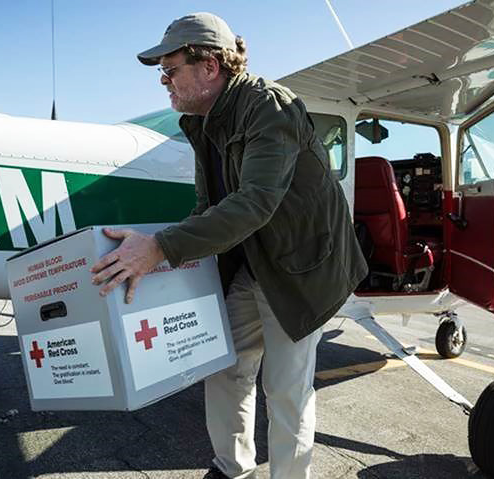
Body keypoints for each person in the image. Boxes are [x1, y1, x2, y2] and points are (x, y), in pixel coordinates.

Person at [91, 12, 367, 479]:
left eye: (171, 69)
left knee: (285, 388)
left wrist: (159, 248)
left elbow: (254, 202)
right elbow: (207, 205)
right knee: (223, 366)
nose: (164, 81)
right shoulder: (203, 123)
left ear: (211, 66)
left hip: (301, 269)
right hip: (250, 263)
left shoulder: (270, 107)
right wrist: (157, 253)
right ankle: (231, 467)